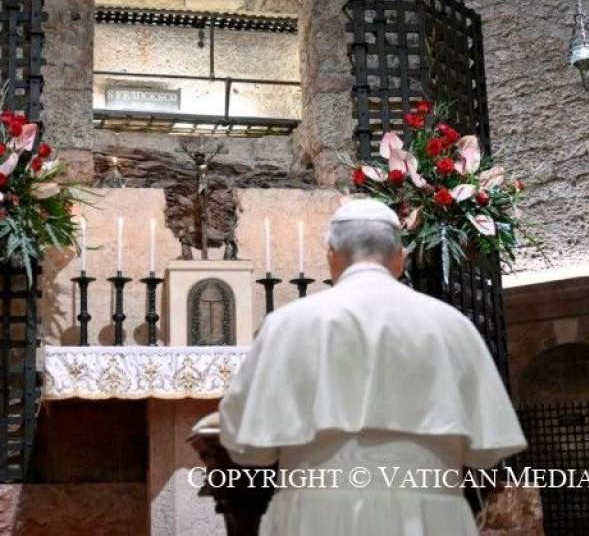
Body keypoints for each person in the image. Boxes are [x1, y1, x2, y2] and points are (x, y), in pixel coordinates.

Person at [217, 199, 527, 535]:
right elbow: (485, 453)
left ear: (331, 254)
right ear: (400, 259)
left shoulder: (285, 325)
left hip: (314, 516)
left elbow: (244, 446)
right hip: (431, 519)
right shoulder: (453, 326)